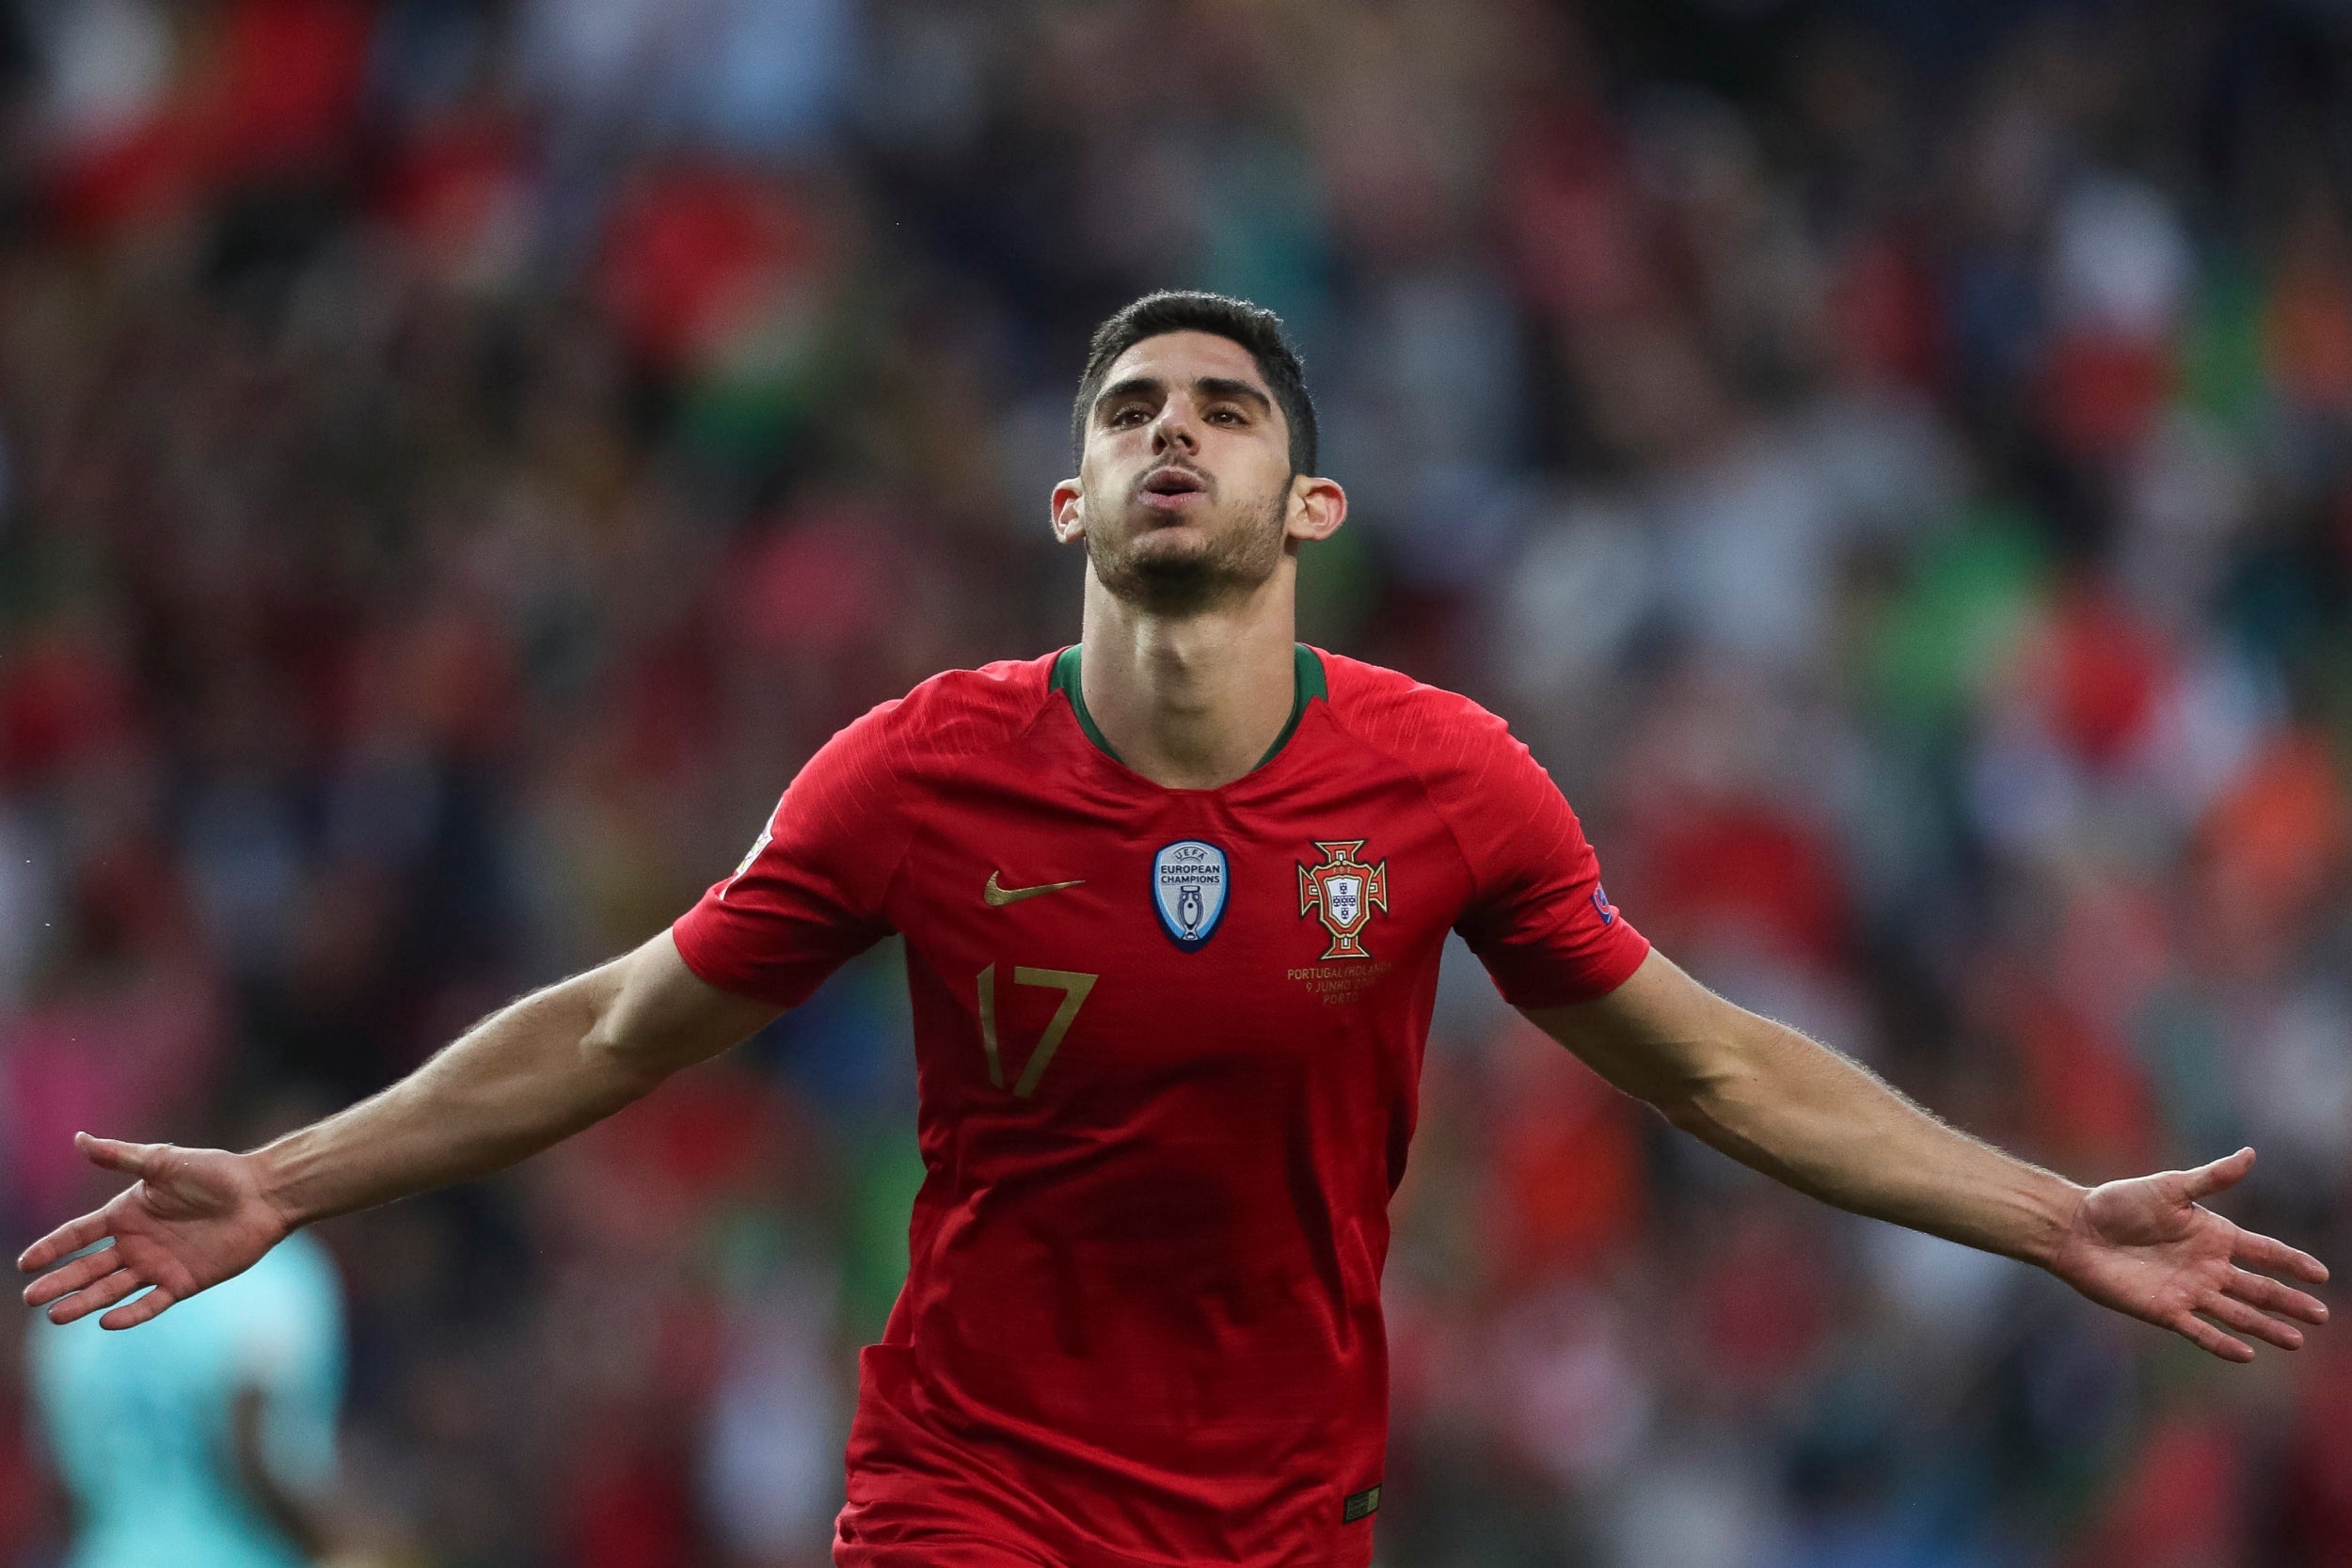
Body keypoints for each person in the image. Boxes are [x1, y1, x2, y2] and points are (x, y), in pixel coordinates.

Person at [19, 293, 2329, 1568]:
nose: (1171, 436)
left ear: (1308, 499)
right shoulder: (915, 772)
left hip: (1278, 1519)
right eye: (1128, 411)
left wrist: (2049, 1216)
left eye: (1223, 410)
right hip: (969, 1496)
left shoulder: (1450, 786)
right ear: (1071, 496)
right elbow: (624, 1026)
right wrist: (292, 1179)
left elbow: (1720, 1065)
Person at [25, 1227, 345, 1568]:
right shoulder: (272, 1270)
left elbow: (57, 1484)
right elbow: (256, 1452)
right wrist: (348, 1542)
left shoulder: (82, 1281)